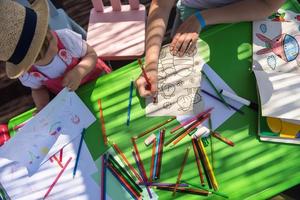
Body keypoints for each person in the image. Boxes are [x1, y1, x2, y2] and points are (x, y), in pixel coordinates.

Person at [136, 0, 285, 97]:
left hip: (246, 11)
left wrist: (203, 18)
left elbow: (266, 5)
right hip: (193, 12)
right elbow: (161, 5)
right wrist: (151, 63)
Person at [0, 0, 111, 112]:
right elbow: (38, 89)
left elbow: (91, 54)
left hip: (100, 81)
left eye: (50, 36)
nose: (54, 46)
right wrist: (43, 107)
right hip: (76, 102)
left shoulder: (65, 39)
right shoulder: (28, 73)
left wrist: (79, 72)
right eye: (44, 52)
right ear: (28, 62)